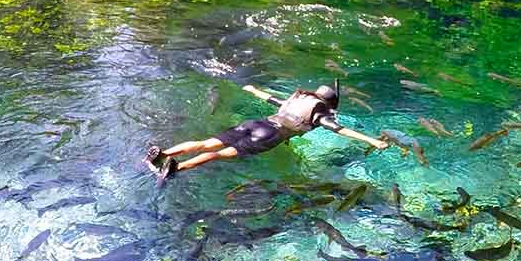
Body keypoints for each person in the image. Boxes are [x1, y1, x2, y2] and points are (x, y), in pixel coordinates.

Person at [146, 82, 388, 182]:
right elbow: (341, 130)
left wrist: (251, 89)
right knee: (218, 154)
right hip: (270, 136)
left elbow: (270, 97)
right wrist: (373, 141)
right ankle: (177, 168)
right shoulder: (321, 113)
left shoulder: (297, 99)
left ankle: (163, 153)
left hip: (253, 123)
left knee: (205, 143)